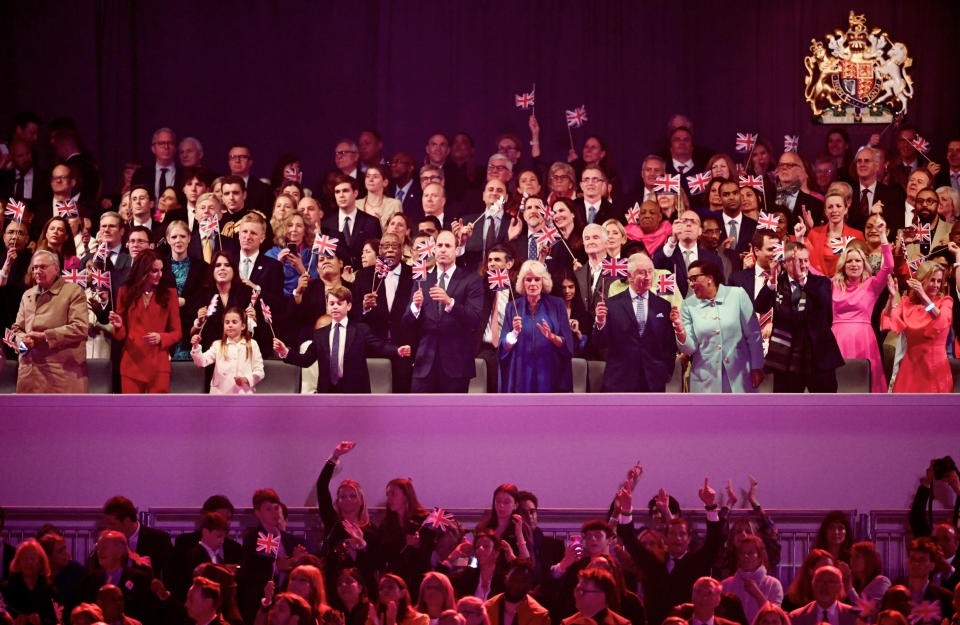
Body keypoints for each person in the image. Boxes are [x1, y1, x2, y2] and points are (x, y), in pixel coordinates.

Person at [274, 286, 409, 393]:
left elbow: (379, 346)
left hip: (355, 391)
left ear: (348, 306)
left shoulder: (361, 330)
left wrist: (397, 350)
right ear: (327, 306)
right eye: (331, 303)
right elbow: (306, 360)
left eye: (339, 303)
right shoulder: (320, 334)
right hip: (327, 390)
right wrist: (285, 352)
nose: (335, 307)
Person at [401, 229, 483, 392]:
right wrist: (415, 307)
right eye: (439, 245)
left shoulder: (471, 279)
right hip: (425, 363)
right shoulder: (422, 279)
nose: (443, 249)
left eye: (448, 245)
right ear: (434, 249)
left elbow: (474, 318)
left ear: (456, 250)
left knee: (454, 416)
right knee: (420, 415)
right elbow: (406, 322)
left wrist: (450, 302)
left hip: (457, 364)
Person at [756, 242, 845, 392]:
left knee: (826, 409)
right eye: (798, 260)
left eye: (805, 260)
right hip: (786, 358)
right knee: (786, 410)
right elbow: (760, 307)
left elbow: (824, 306)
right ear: (785, 263)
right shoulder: (777, 284)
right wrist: (771, 280)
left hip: (818, 357)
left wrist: (802, 281)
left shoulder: (820, 283)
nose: (803, 265)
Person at [673, 259, 765, 392]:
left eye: (694, 279)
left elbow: (754, 334)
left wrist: (757, 366)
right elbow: (690, 348)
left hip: (740, 376)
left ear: (710, 278)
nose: (691, 285)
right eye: (689, 280)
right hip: (705, 381)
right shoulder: (688, 305)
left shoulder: (737, 295)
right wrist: (680, 329)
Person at [594, 252, 677, 391]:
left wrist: (667, 370)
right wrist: (600, 323)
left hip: (653, 381)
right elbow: (600, 344)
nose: (648, 277)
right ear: (629, 276)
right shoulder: (611, 305)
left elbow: (669, 343)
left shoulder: (663, 305)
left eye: (650, 271)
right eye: (642, 272)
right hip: (619, 380)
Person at [11, 250, 89, 393]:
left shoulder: (74, 291)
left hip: (61, 375)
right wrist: (22, 343)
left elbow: (80, 328)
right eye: (34, 268)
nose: (37, 271)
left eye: (42, 267)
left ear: (56, 268)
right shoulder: (27, 294)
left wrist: (45, 336)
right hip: (28, 374)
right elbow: (17, 329)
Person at [109, 249, 181, 393]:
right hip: (132, 364)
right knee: (132, 413)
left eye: (161, 270)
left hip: (159, 365)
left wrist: (162, 337)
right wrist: (119, 326)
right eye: (154, 271)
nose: (159, 275)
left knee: (158, 413)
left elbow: (177, 332)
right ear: (142, 271)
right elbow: (120, 335)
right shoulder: (125, 293)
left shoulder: (169, 294)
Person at [498, 260, 573, 392]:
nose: (533, 284)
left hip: (549, 372)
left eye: (537, 279)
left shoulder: (557, 305)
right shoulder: (512, 307)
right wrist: (514, 334)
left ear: (543, 282)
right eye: (528, 280)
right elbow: (503, 348)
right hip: (520, 373)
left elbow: (568, 345)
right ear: (523, 282)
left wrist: (552, 337)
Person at [315, 443, 378, 600]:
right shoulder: (334, 523)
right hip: (334, 589)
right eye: (343, 497)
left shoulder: (371, 530)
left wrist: (361, 545)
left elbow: (376, 563)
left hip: (364, 592)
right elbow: (321, 488)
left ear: (361, 500)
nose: (347, 500)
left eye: (352, 496)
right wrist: (335, 456)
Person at [830, 235, 893, 393]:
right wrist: (802, 239)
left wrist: (883, 238)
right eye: (849, 261)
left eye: (858, 260)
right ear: (843, 264)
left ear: (864, 263)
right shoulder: (833, 283)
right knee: (838, 385)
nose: (853, 264)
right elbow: (811, 273)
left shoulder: (872, 284)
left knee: (865, 384)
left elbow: (889, 266)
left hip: (864, 339)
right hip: (837, 338)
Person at [882, 258, 955, 393]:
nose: (936, 285)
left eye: (939, 281)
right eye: (932, 280)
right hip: (909, 369)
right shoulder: (906, 303)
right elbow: (888, 319)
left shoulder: (946, 302)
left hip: (935, 369)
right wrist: (891, 297)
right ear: (921, 280)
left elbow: (941, 321)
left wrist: (923, 296)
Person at [238, 489, 307, 623]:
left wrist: (297, 559)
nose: (274, 513)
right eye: (268, 509)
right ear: (258, 513)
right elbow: (248, 571)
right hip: (261, 600)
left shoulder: (289, 539)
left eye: (276, 508)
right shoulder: (252, 539)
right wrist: (275, 567)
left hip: (287, 601)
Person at [190, 307, 264, 394]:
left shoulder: (252, 344)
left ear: (243, 326)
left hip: (243, 394)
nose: (230, 325)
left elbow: (259, 371)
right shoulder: (217, 345)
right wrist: (196, 347)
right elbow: (201, 362)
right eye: (227, 322)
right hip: (220, 394)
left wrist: (247, 379)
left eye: (234, 322)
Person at [653, 210, 724, 298]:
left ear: (700, 231)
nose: (689, 224)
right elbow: (656, 268)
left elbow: (719, 290)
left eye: (693, 222)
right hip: (673, 308)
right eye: (684, 221)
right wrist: (672, 240)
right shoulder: (666, 254)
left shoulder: (713, 260)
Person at [164, 220, 208, 360]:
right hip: (165, 327)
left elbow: (203, 295)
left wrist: (185, 302)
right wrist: (172, 302)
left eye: (183, 236)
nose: (178, 240)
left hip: (192, 327)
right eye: (174, 237)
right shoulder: (159, 266)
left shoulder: (202, 267)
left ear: (189, 239)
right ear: (168, 240)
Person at [804, 188, 865, 277]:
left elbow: (861, 267)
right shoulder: (814, 233)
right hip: (818, 285)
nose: (834, 210)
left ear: (846, 209)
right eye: (830, 207)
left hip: (845, 286)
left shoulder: (856, 235)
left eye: (838, 206)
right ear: (825, 211)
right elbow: (806, 261)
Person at [721, 536, 783, 624]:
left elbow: (775, 617)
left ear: (759, 558)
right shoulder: (726, 585)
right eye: (742, 553)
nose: (745, 556)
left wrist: (758, 594)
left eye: (750, 553)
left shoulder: (773, 584)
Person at [0, 539, 59, 624]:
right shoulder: (5, 589)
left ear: (41, 562)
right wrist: (15, 622)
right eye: (24, 558)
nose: (28, 562)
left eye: (32, 558)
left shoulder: (51, 590)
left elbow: (60, 619)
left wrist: (41, 621)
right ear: (18, 562)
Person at [266, 210, 318, 297]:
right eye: (290, 225)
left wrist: (301, 268)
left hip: (306, 300)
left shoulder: (313, 254)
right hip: (279, 300)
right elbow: (265, 285)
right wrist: (278, 265)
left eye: (299, 226)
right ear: (284, 229)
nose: (294, 229)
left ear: (305, 230)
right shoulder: (272, 254)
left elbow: (317, 287)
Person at [483, 560, 549, 625]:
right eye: (514, 578)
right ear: (506, 579)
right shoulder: (487, 609)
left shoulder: (540, 616)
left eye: (522, 581)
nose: (517, 584)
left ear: (530, 586)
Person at [788, 565, 859, 625]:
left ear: (840, 587)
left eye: (831, 582)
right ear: (813, 585)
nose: (824, 586)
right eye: (819, 581)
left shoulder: (854, 616)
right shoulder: (797, 617)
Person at [560, 568, 630, 625]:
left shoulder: (622, 624)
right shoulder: (567, 623)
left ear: (603, 595)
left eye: (582, 591)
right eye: (576, 590)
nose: (576, 594)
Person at [844, 542, 891, 606]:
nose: (852, 560)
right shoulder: (856, 582)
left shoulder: (882, 582)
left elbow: (867, 611)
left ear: (870, 559)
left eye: (857, 556)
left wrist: (849, 588)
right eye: (851, 556)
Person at [358, 164, 402, 231]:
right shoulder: (356, 204)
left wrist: (379, 227)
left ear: (385, 182)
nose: (370, 179)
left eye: (375, 177)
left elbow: (398, 232)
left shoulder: (394, 204)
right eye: (368, 176)